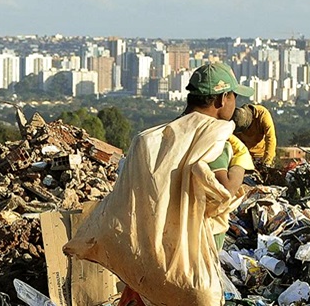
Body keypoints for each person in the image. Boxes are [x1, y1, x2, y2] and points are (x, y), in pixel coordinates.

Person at [64, 62, 255, 306]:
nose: (235, 104)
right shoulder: (213, 139)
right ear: (220, 100)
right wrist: (240, 160)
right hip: (189, 259)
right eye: (233, 97)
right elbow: (224, 191)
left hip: (149, 256)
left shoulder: (153, 139)